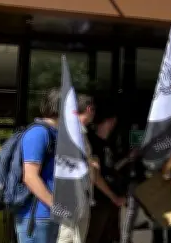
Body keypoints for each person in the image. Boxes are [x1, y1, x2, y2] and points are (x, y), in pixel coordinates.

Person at [16, 88, 61, 243]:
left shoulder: (56, 134)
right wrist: (55, 206)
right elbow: (30, 176)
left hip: (49, 216)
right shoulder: (39, 133)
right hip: (37, 218)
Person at [57, 94, 98, 243]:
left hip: (81, 195)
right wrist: (91, 163)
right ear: (89, 109)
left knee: (75, 237)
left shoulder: (78, 131)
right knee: (67, 237)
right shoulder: (73, 131)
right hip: (72, 196)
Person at [85, 106, 127, 243]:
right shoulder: (92, 143)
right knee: (95, 236)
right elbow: (96, 176)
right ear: (108, 121)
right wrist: (113, 197)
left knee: (109, 236)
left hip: (108, 201)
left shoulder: (107, 144)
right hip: (99, 200)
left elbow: (111, 169)